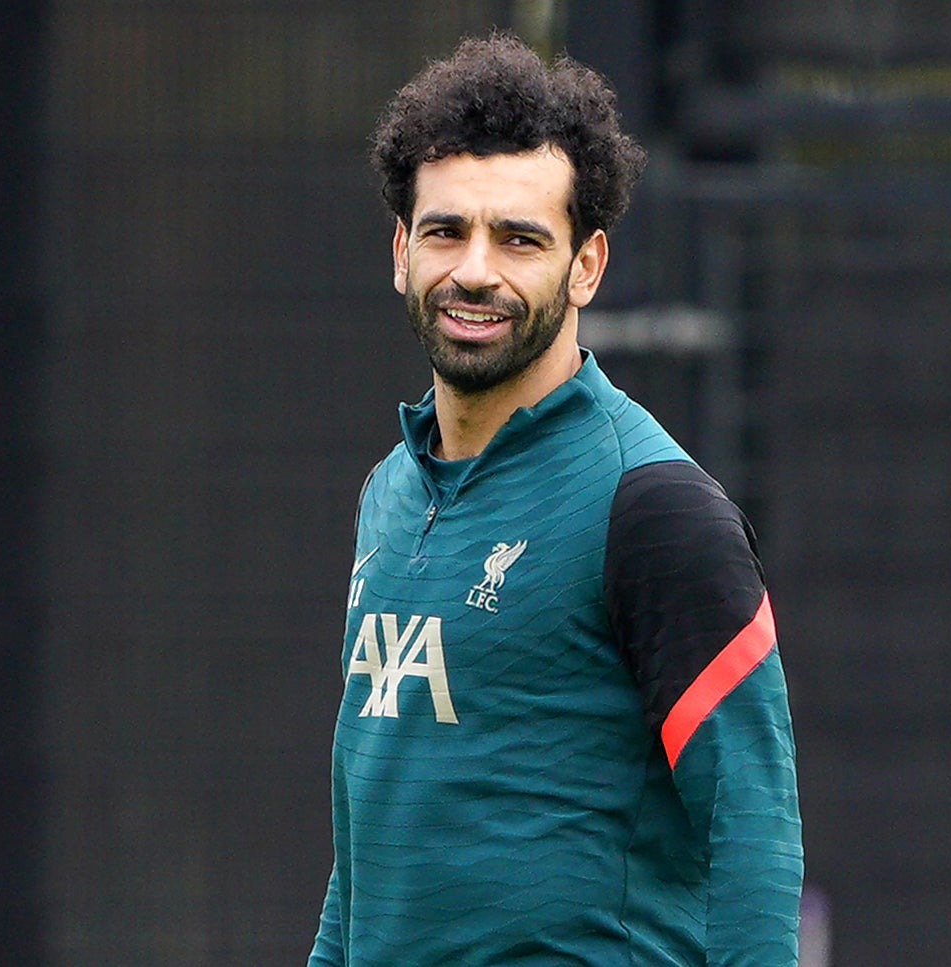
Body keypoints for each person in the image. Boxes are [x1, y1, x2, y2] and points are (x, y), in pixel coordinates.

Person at [309, 32, 802, 967]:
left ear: (587, 265)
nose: (476, 271)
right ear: (401, 250)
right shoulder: (388, 492)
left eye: (520, 238)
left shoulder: (654, 507)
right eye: (447, 230)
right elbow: (366, 839)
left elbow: (753, 831)